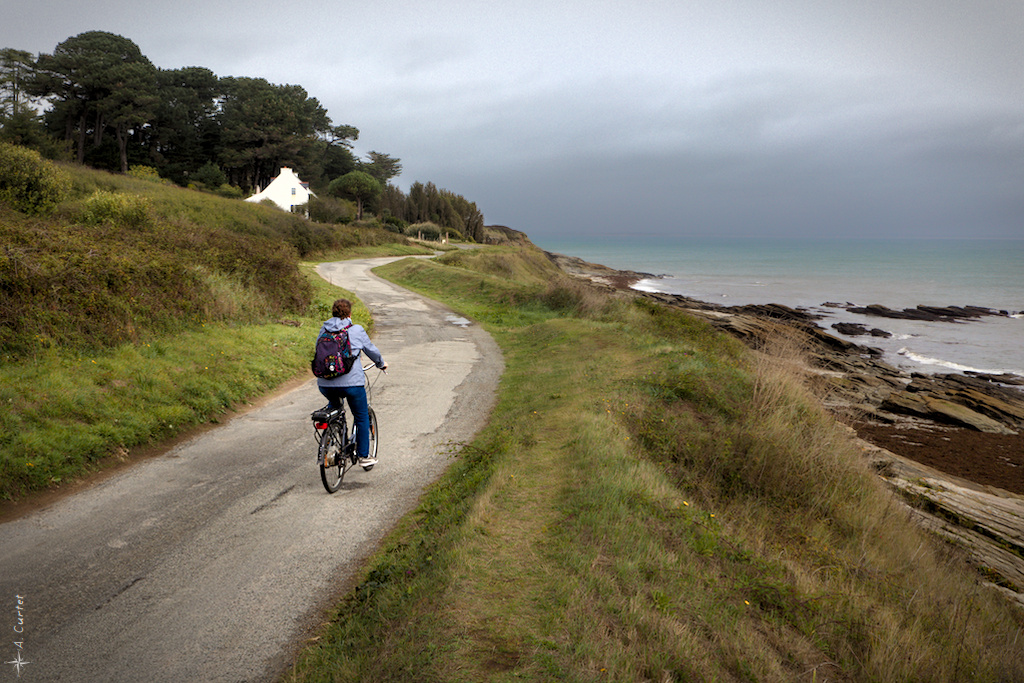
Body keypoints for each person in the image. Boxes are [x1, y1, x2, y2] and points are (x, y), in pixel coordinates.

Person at [315, 298, 387, 469]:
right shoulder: (356, 329)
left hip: (325, 383)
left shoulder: (323, 329)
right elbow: (371, 350)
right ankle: (363, 456)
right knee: (361, 416)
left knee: (335, 408)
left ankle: (332, 439)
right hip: (352, 384)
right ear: (349, 314)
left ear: (333, 312)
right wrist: (380, 363)